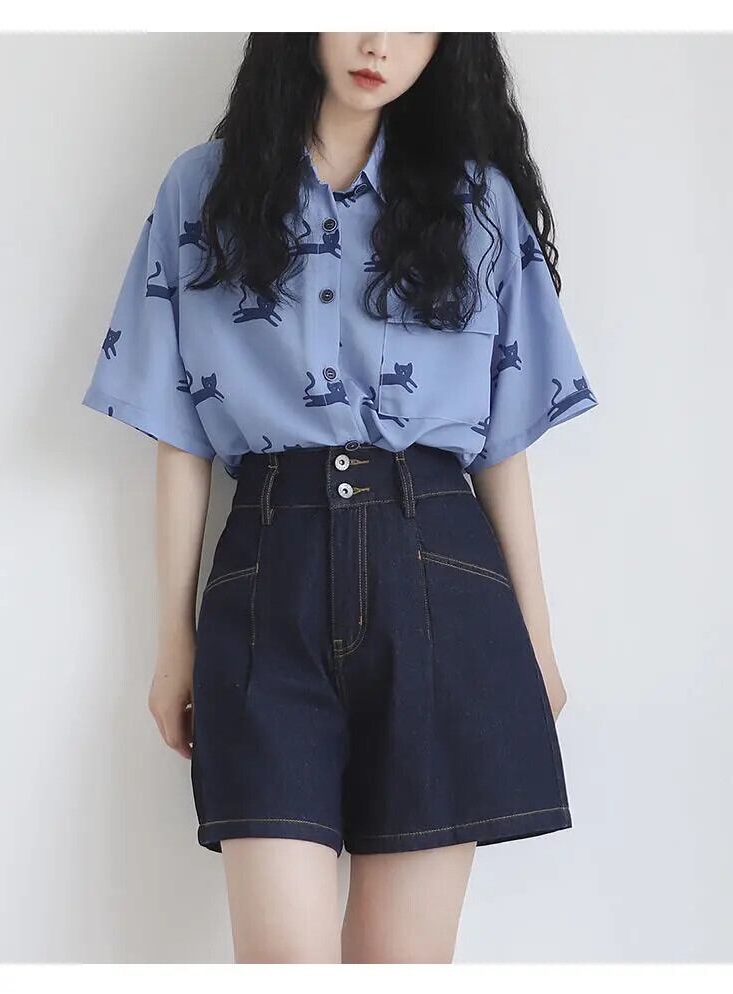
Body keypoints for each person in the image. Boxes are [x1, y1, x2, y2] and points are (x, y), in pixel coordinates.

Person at [81, 32, 599, 963]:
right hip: (265, 581)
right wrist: (171, 642)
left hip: (441, 580)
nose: (376, 41)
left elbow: (503, 446)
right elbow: (178, 433)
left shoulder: (478, 202)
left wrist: (537, 641)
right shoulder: (204, 190)